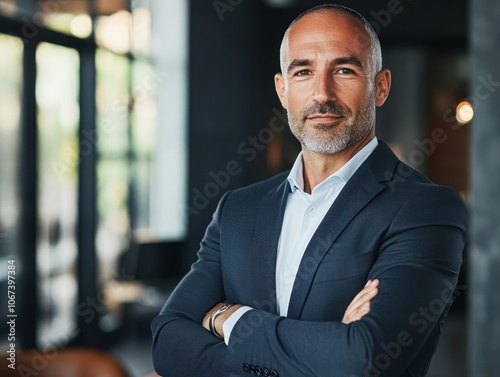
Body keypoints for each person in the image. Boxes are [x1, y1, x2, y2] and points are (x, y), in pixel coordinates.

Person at [151, 4, 467, 377]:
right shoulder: (238, 209)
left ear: (380, 87)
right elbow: (167, 341)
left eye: (344, 70)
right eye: (303, 71)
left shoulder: (425, 208)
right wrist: (322, 346)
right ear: (282, 90)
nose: (322, 93)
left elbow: (363, 359)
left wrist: (228, 317)